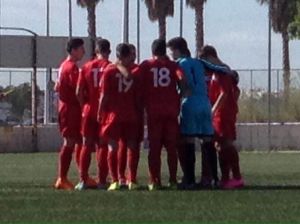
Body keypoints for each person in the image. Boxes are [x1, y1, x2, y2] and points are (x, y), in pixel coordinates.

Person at [167, 37, 231, 189]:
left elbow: (179, 82)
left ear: (177, 50)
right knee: (207, 141)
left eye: (171, 52)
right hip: (205, 103)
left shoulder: (177, 64)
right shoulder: (199, 62)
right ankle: (214, 179)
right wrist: (231, 73)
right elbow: (222, 70)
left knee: (188, 141)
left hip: (189, 103)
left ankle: (189, 180)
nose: (170, 55)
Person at [134, 39, 186, 190]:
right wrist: (179, 95)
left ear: (152, 51)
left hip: (154, 111)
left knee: (154, 148)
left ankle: (154, 181)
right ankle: (172, 180)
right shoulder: (172, 65)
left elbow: (134, 77)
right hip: (171, 110)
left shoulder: (146, 65)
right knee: (171, 147)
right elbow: (182, 78)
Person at [201, 45, 244, 189]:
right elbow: (236, 92)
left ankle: (237, 177)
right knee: (219, 145)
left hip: (223, 114)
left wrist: (214, 110)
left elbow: (224, 93)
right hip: (222, 113)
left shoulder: (222, 71)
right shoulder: (218, 71)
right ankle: (225, 178)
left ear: (211, 57)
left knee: (226, 144)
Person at [98, 43, 140, 191]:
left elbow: (104, 95)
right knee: (131, 146)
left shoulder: (109, 71)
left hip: (114, 115)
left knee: (113, 146)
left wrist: (100, 112)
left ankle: (115, 180)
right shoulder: (136, 70)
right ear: (128, 55)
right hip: (130, 113)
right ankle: (131, 180)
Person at [75, 38, 111, 190]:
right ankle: (102, 181)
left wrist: (84, 106)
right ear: (108, 51)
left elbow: (78, 92)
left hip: (89, 110)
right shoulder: (111, 67)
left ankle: (83, 180)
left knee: (86, 144)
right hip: (105, 111)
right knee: (102, 145)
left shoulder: (86, 67)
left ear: (96, 52)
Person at [54, 38, 85, 190]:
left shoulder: (63, 66)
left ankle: (82, 177)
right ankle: (62, 178)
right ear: (73, 50)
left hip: (67, 107)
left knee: (77, 141)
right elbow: (78, 89)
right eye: (81, 49)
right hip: (70, 109)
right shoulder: (71, 67)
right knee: (70, 141)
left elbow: (56, 87)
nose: (83, 52)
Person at [117, 43, 142, 188]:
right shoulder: (138, 69)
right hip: (133, 111)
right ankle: (129, 177)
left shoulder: (113, 69)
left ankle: (122, 177)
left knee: (124, 144)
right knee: (130, 145)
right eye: (132, 53)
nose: (134, 56)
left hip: (124, 111)